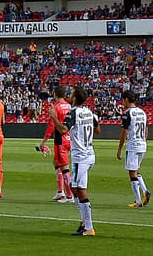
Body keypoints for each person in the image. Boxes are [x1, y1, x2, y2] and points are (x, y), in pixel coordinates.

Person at [57, 86, 99, 236]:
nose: (69, 95)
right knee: (75, 188)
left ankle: (88, 227)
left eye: (71, 93)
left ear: (74, 98)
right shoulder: (89, 112)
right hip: (89, 154)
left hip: (80, 157)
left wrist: (53, 117)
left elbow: (63, 130)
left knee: (79, 190)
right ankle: (84, 222)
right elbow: (97, 129)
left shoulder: (73, 113)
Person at [38, 85, 73, 203]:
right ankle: (60, 192)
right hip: (70, 138)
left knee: (64, 167)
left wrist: (43, 142)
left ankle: (69, 196)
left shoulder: (56, 107)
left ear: (55, 94)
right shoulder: (69, 106)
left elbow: (51, 126)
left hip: (60, 139)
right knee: (56, 162)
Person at [117, 89, 151, 208]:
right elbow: (146, 130)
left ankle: (139, 199)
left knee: (132, 173)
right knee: (135, 171)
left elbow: (124, 132)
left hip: (133, 145)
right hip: (142, 145)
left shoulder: (127, 113)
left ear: (126, 99)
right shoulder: (142, 112)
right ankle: (144, 193)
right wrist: (143, 141)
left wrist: (119, 149)